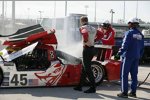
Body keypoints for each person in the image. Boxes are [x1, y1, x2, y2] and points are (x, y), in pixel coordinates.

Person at [115, 18, 144, 98]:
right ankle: (133, 92)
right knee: (134, 75)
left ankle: (124, 92)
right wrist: (139, 56)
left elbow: (125, 45)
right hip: (136, 57)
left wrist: (118, 54)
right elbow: (142, 48)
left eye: (129, 23)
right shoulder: (141, 35)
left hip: (127, 57)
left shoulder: (129, 33)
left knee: (124, 75)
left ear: (131, 24)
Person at [73, 16, 103, 93]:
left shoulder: (83, 27)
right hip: (92, 49)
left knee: (88, 69)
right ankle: (80, 86)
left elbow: (84, 33)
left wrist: (86, 40)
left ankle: (93, 88)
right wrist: (95, 39)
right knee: (84, 68)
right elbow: (101, 34)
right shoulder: (93, 28)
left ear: (82, 21)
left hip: (86, 49)